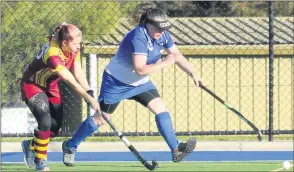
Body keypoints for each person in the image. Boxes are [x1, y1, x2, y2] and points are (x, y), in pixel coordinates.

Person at [62, 2, 204, 167]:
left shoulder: (163, 35)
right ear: (147, 24)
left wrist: (193, 73)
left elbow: (176, 55)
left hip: (140, 84)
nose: (162, 32)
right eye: (158, 28)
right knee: (100, 119)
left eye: (164, 28)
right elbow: (141, 69)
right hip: (116, 83)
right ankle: (70, 147)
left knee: (161, 109)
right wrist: (166, 62)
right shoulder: (138, 36)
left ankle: (176, 149)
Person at [20, 22, 100, 171]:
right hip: (32, 85)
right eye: (76, 43)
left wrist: (88, 90)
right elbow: (70, 80)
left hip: (51, 86)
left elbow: (77, 70)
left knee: (54, 129)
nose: (78, 46)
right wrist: (90, 100)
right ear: (64, 42)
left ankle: (30, 145)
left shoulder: (72, 49)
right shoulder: (53, 54)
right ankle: (41, 161)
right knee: (45, 122)